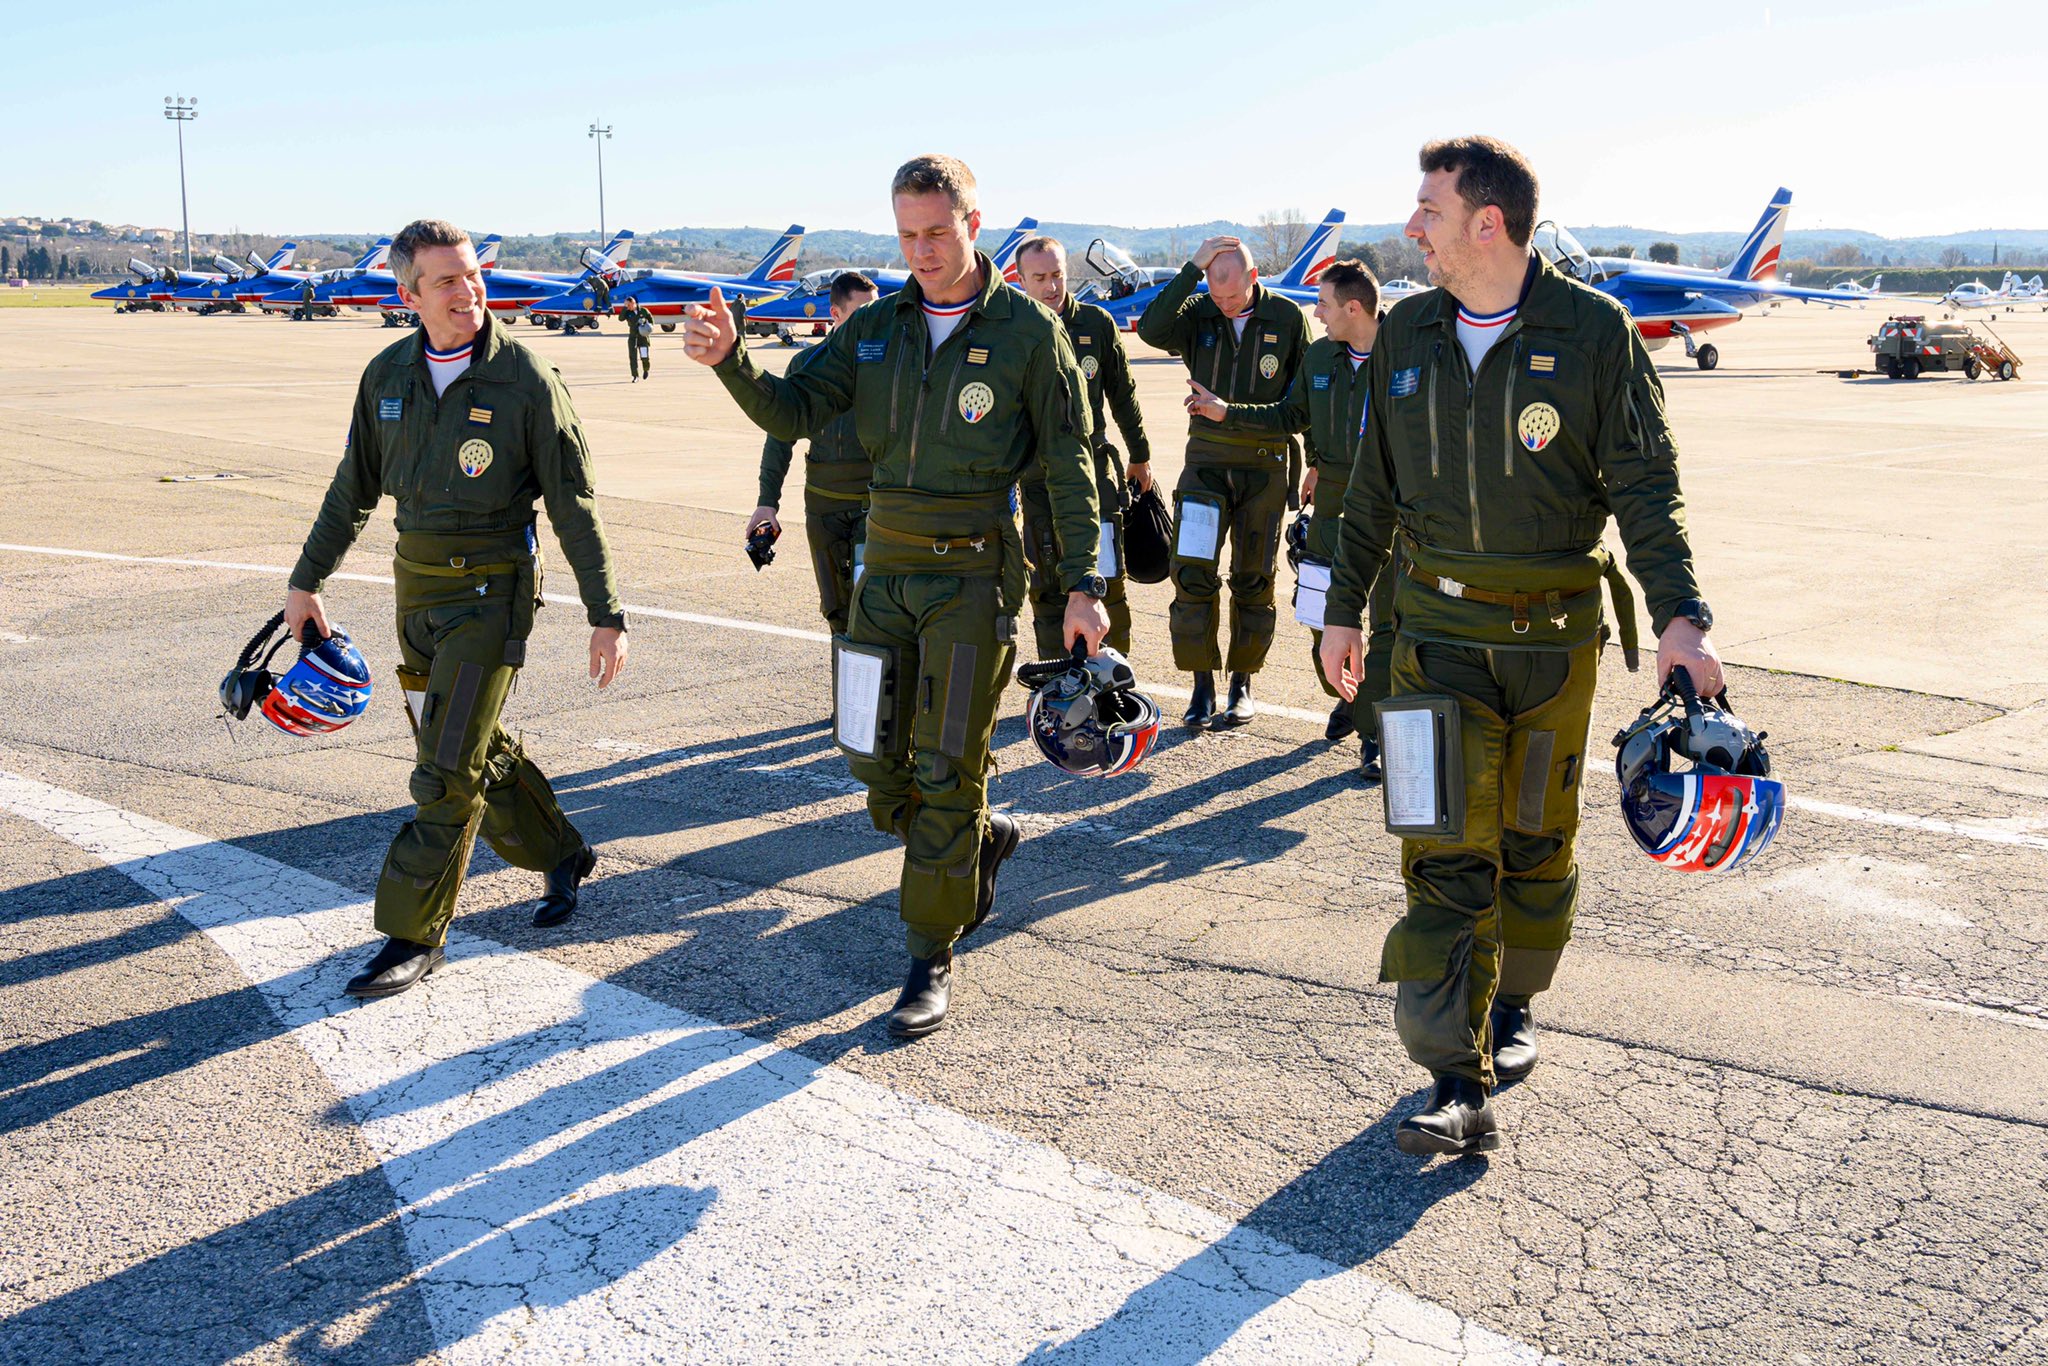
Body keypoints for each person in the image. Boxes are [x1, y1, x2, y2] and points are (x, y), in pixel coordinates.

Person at [1319, 137, 1721, 1154]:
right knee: (1441, 846)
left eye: (1427, 210)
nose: (1412, 227)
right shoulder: (1407, 333)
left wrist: (1679, 616)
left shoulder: (1592, 335)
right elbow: (1368, 487)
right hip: (1430, 638)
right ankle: (1453, 1077)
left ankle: (1513, 1004)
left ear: (1484, 222)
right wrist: (1339, 607)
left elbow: (1644, 487)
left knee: (1533, 843)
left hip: (1549, 644)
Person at [681, 155, 1104, 1039]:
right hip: (883, 572)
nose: (920, 250)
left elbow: (1068, 464)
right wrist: (731, 362)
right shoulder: (873, 328)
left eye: (936, 233)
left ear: (974, 225)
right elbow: (794, 409)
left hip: (973, 576)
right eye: (906, 234)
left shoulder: (1029, 334)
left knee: (947, 763)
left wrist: (1082, 585)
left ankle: (929, 951)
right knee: (870, 755)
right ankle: (972, 842)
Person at [285, 218, 629, 1000]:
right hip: (417, 591)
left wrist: (605, 612)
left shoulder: (527, 380)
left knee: (442, 774)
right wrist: (306, 581)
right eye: (445, 280)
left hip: (491, 593)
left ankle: (412, 933)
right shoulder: (386, 376)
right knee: (473, 746)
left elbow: (574, 503)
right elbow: (353, 490)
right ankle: (562, 852)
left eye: (471, 275)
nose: (467, 291)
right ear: (408, 293)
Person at [1188, 258, 1392, 776]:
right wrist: (1226, 410)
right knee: (1322, 617)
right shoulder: (1322, 356)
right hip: (1331, 508)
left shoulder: (1404, 354)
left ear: (1352, 307)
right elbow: (1288, 415)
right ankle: (1348, 696)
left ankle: (1375, 732)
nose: (1316, 314)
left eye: (1323, 304)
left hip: (1389, 508)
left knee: (1388, 624)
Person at [1138, 237, 1311, 728]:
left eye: (1231, 297)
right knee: (1192, 573)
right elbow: (1151, 328)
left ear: (1254, 278)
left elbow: (1305, 396)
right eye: (1215, 295)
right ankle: (1201, 685)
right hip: (1206, 465)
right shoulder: (1198, 312)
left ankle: (1242, 683)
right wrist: (1193, 270)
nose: (1223, 305)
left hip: (1264, 467)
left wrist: (1316, 462)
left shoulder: (1287, 319)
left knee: (1254, 579)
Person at [1011, 235, 1154, 659]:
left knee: (1105, 581)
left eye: (1057, 275)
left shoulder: (1096, 324)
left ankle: (1113, 680)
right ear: (1021, 281)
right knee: (1047, 588)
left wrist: (1140, 454)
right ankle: (1057, 686)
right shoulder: (1013, 333)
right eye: (1040, 277)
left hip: (1094, 475)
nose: (1051, 286)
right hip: (1036, 480)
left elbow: (1123, 395)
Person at [749, 271, 881, 634]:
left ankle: (883, 689)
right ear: (835, 313)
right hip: (824, 508)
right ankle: (849, 689)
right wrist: (767, 503)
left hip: (875, 508)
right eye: (862, 313)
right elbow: (780, 436)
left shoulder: (888, 368)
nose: (872, 323)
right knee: (837, 612)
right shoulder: (806, 366)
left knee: (873, 610)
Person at [625, 296, 653, 381]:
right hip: (633, 337)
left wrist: (647, 326)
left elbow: (651, 320)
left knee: (644, 356)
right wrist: (624, 308)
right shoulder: (627, 312)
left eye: (629, 305)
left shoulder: (643, 311)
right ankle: (635, 376)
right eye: (627, 305)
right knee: (633, 357)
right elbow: (620, 318)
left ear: (634, 303)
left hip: (643, 337)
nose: (628, 307)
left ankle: (646, 369)